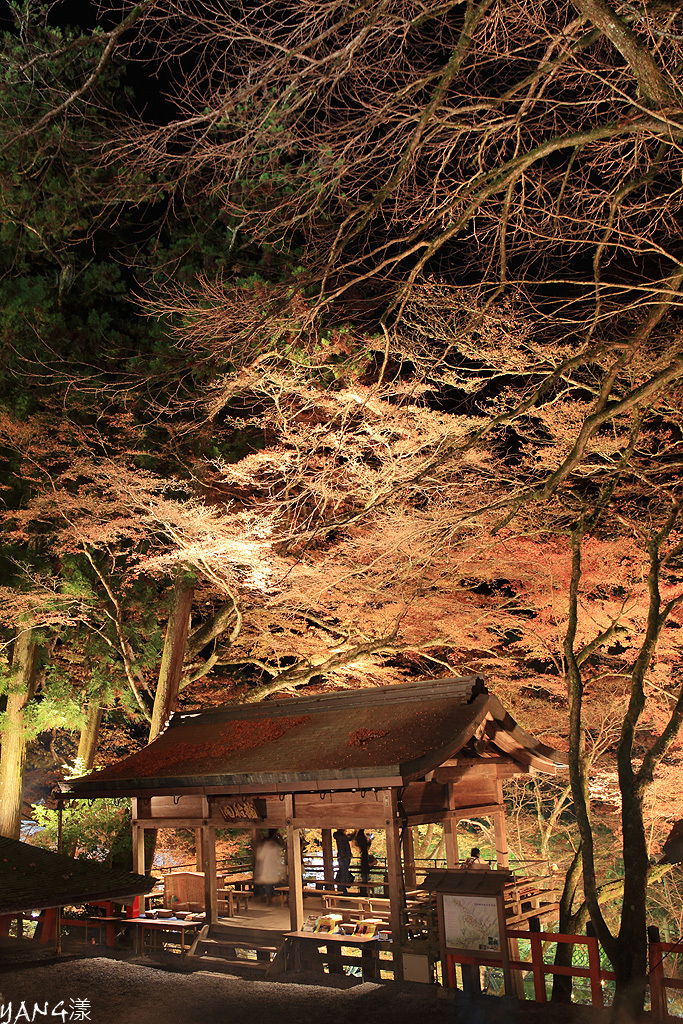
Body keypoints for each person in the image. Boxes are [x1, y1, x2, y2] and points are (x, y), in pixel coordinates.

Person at [254, 829, 285, 903]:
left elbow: (260, 857)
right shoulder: (274, 846)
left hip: (266, 866)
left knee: (268, 882)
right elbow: (278, 856)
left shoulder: (265, 845)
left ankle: (267, 897)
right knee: (270, 882)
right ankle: (268, 897)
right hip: (272, 867)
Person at [333, 828, 353, 894]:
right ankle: (342, 891)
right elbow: (348, 838)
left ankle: (341, 890)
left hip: (343, 856)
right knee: (343, 874)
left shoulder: (339, 836)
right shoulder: (341, 836)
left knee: (343, 873)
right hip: (344, 856)